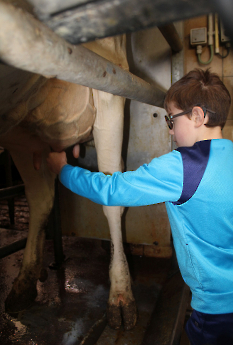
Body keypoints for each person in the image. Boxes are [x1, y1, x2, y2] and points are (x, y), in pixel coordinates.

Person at [47, 69, 233, 345]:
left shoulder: (182, 166)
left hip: (216, 311)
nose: (169, 130)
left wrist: (63, 170)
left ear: (197, 116)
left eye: (171, 120)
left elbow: (112, 190)